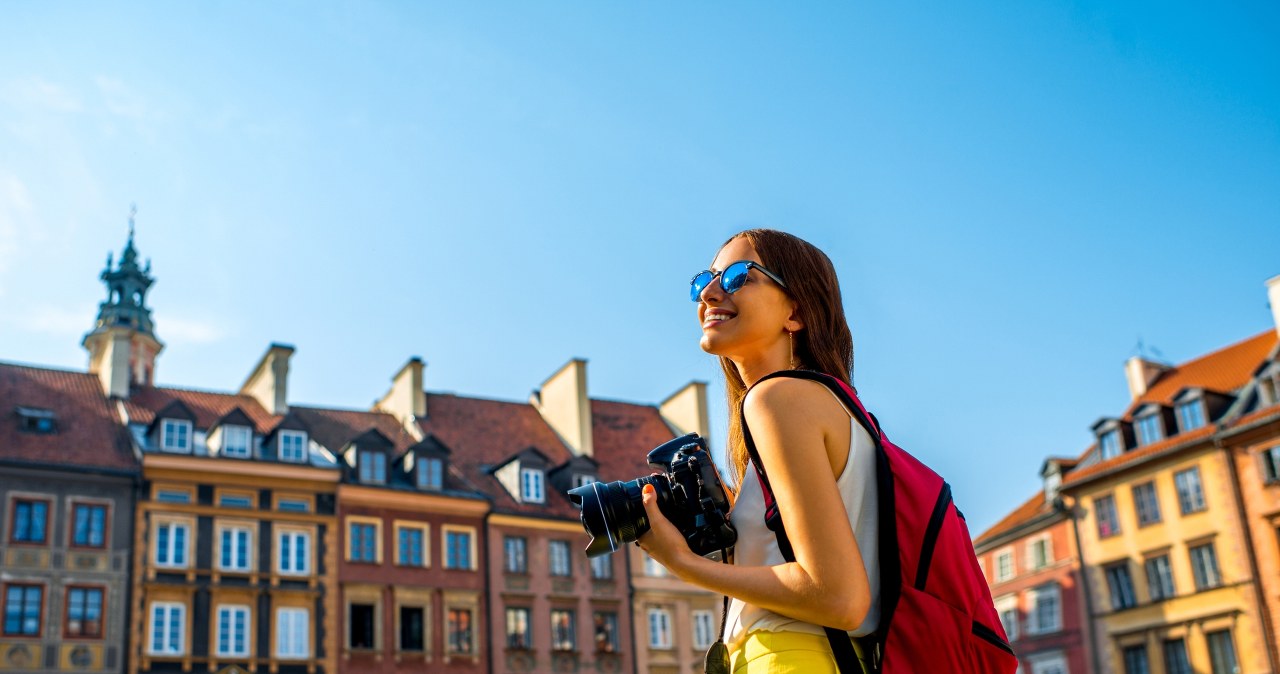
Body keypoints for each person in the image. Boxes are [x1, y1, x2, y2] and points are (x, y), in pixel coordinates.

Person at [637, 229, 879, 673]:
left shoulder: (777, 399)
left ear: (795, 312)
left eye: (737, 277)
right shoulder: (832, 406)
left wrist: (683, 563)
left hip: (791, 659)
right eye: (705, 280)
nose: (709, 293)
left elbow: (838, 597)